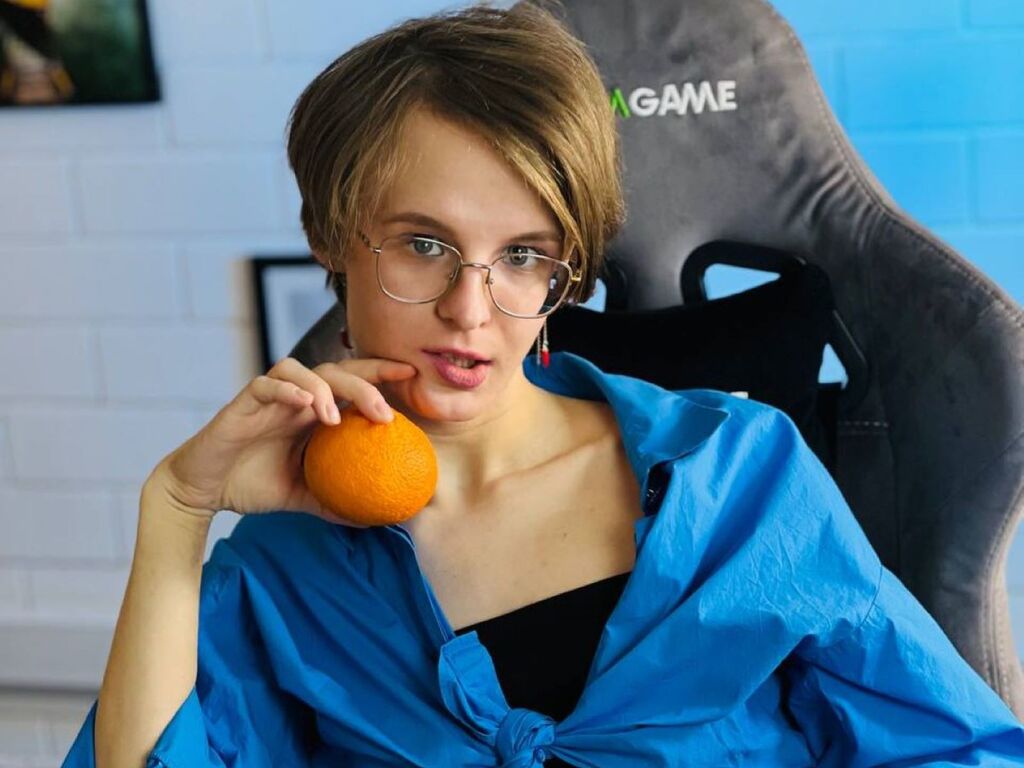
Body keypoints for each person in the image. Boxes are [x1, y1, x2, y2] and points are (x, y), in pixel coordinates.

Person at [62, 2, 1024, 766]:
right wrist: (177, 507)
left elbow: (948, 746)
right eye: (424, 244)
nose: (470, 309)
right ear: (331, 237)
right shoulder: (286, 559)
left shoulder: (738, 469)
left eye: (521, 255)